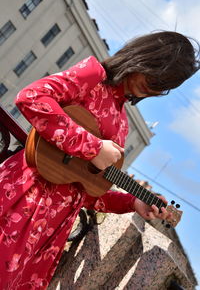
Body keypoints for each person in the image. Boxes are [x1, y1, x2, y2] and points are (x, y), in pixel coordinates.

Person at [0, 30, 199, 289]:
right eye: (154, 76)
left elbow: (86, 191)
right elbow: (31, 98)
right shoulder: (93, 76)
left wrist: (134, 202)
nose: (152, 88)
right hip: (22, 199)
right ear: (143, 57)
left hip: (49, 233)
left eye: (161, 86)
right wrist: (92, 147)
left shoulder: (122, 126)